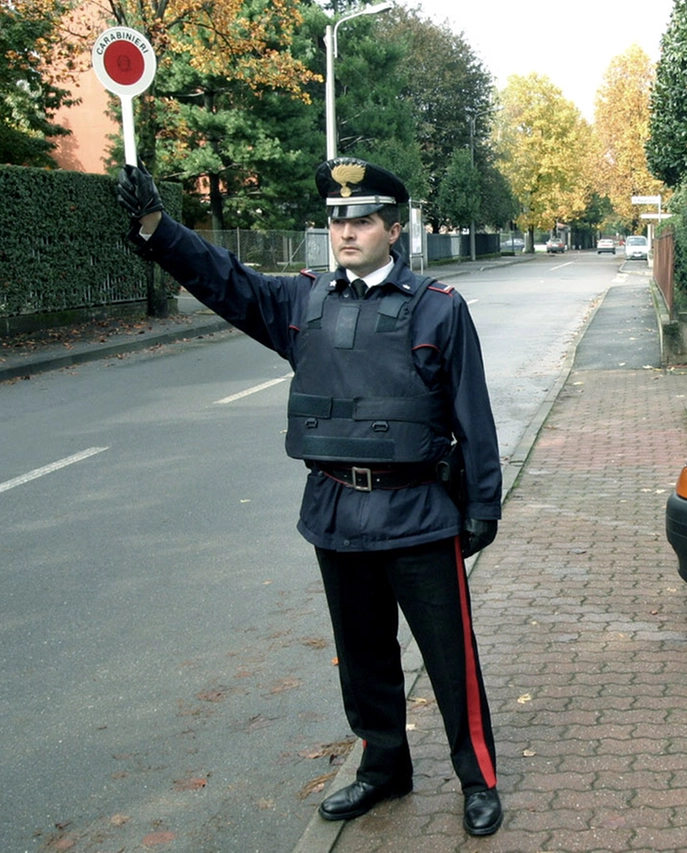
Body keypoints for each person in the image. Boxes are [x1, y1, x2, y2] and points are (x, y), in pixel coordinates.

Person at [115, 157, 504, 837]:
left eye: (359, 218)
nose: (345, 230)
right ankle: (385, 767)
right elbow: (223, 280)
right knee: (363, 656)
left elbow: (474, 413)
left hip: (416, 513)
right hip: (335, 512)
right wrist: (156, 225)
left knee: (450, 656)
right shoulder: (303, 302)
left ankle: (477, 778)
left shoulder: (438, 307)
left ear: (391, 228)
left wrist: (484, 505)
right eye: (335, 219)